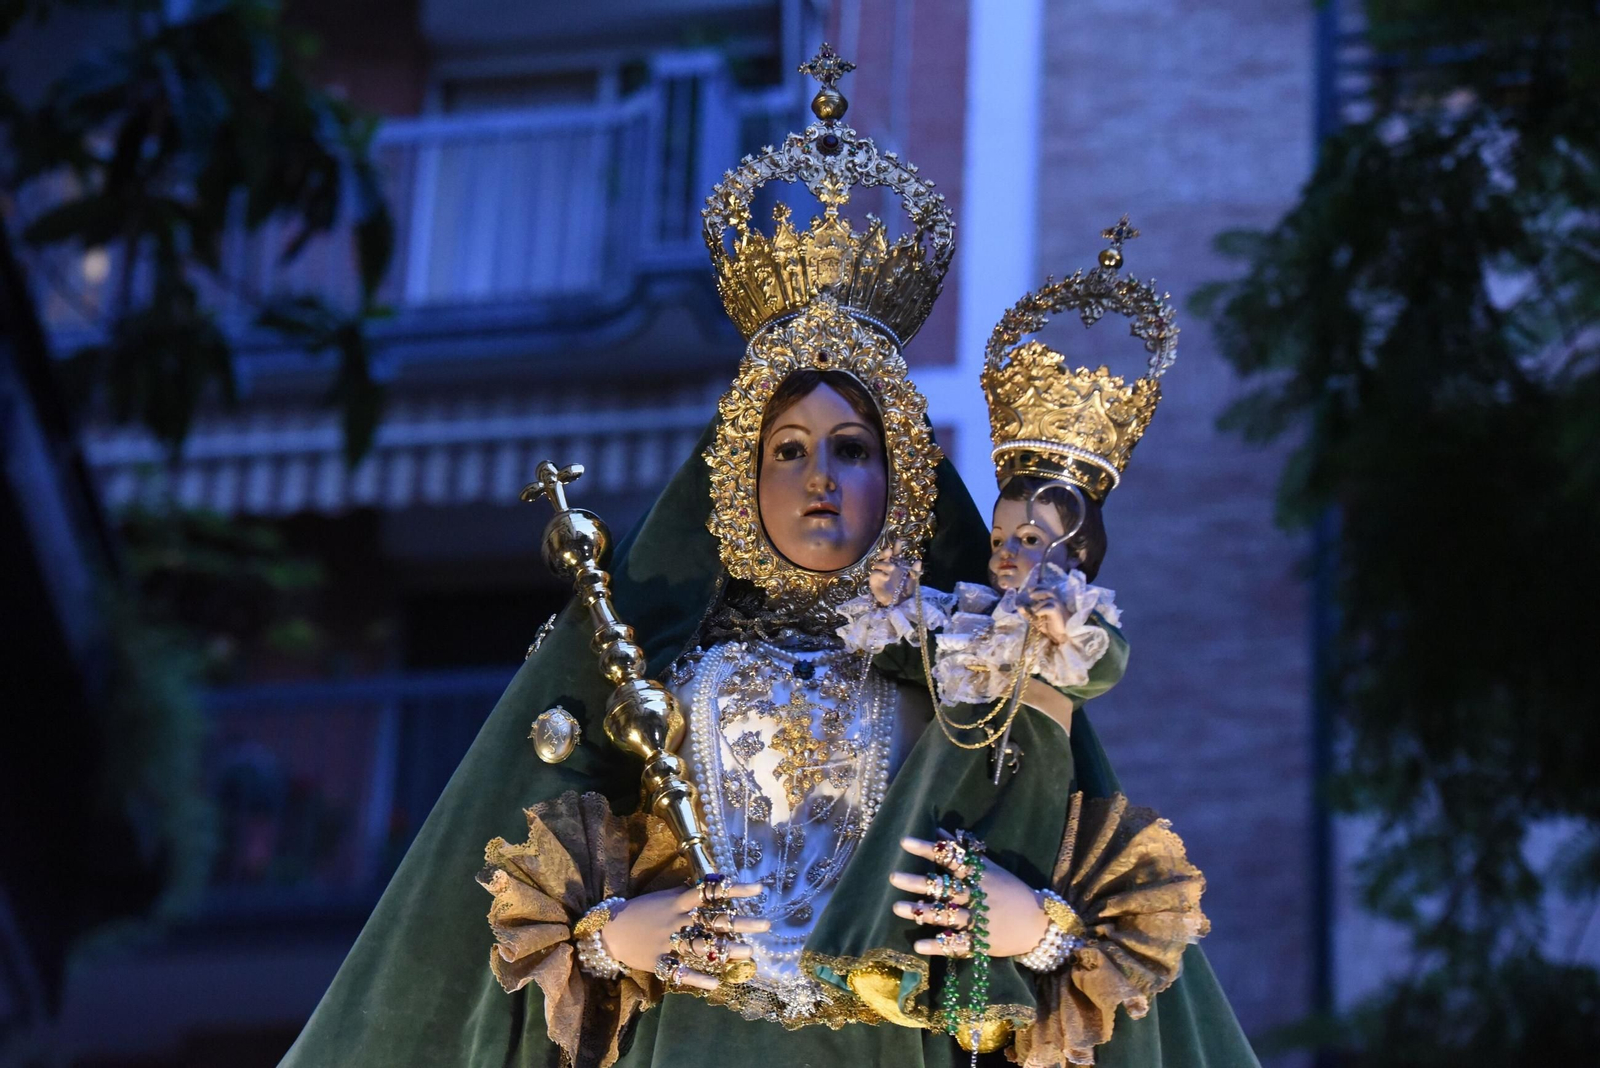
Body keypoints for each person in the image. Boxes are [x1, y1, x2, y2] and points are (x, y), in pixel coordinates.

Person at [279, 47, 1259, 1068]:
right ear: (740, 473)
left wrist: (1037, 928)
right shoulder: (660, 653)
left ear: (907, 478)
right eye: (786, 451)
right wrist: (614, 938)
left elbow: (1072, 879)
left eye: (851, 450)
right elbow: (481, 919)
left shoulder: (964, 662)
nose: (818, 480)